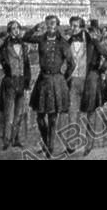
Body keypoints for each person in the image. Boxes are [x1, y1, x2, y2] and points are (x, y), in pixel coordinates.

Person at [23, 15, 73, 158]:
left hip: (56, 81)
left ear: (57, 25)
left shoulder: (63, 43)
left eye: (53, 23)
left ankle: (50, 149)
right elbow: (26, 37)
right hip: (43, 80)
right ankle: (46, 142)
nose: (50, 25)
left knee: (52, 118)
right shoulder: (41, 39)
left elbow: (72, 64)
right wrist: (35, 28)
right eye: (48, 23)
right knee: (39, 117)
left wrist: (63, 79)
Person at [65, 17, 107, 155]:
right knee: (73, 113)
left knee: (90, 113)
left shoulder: (92, 42)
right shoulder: (68, 43)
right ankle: (72, 144)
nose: (73, 29)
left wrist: (100, 71)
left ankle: (89, 144)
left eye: (76, 26)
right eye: (71, 26)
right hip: (73, 82)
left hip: (89, 82)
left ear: (82, 27)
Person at [0, 20, 31, 151]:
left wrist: (27, 84)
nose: (16, 30)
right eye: (13, 28)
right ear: (9, 31)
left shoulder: (24, 46)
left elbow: (27, 67)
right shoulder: (4, 48)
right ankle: (6, 140)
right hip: (9, 83)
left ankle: (16, 139)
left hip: (21, 83)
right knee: (9, 114)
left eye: (18, 28)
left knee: (19, 113)